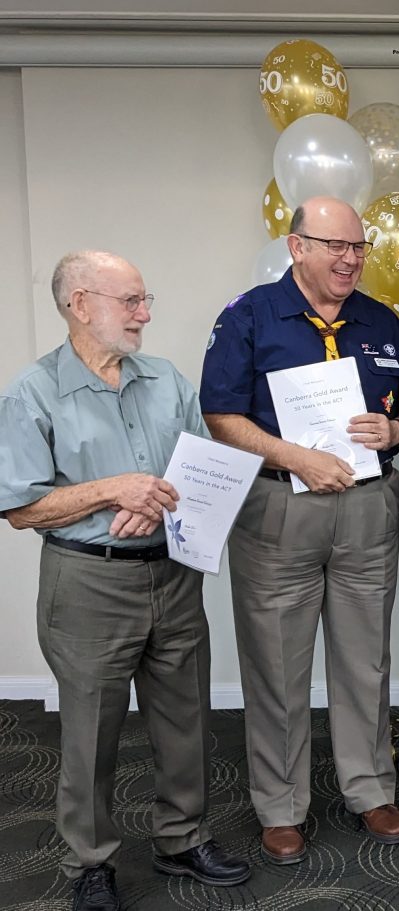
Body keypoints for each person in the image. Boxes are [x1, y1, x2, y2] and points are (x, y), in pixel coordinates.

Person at [0, 251, 250, 911]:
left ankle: (182, 836)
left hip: (171, 576)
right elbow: (20, 506)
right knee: (90, 732)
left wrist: (155, 498)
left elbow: (202, 469)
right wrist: (114, 489)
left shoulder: (165, 379)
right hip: (88, 584)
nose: (145, 314)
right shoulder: (33, 391)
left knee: (185, 719)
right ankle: (91, 861)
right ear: (81, 304)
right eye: (130, 301)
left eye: (145, 301)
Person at [199, 197, 399, 864]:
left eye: (358, 247)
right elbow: (220, 414)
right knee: (276, 661)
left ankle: (369, 786)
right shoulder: (248, 317)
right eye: (335, 245)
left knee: (365, 657)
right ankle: (280, 804)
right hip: (279, 508)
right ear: (297, 247)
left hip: (366, 506)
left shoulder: (382, 321)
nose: (351, 258)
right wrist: (296, 457)